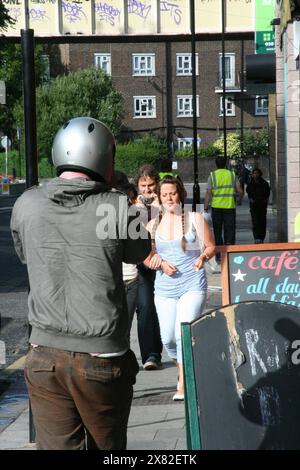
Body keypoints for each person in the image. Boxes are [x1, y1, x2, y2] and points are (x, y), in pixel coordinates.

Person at [10, 117, 151, 450]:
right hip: (101, 356)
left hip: (44, 355)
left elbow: (27, 255)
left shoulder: (26, 204)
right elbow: (140, 251)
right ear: (103, 158)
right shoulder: (118, 208)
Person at [145, 175, 215, 400]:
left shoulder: (195, 218)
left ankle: (183, 386)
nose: (168, 198)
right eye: (164, 194)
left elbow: (212, 246)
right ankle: (183, 370)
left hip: (192, 285)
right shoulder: (152, 223)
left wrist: (202, 257)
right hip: (164, 289)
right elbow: (144, 256)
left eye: (172, 193)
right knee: (168, 338)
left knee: (181, 331)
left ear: (180, 194)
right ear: (159, 196)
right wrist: (157, 262)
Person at [135, 164, 163, 370]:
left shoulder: (166, 203)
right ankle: (150, 355)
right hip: (142, 264)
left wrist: (159, 206)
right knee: (145, 307)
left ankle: (164, 348)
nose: (147, 189)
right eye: (143, 185)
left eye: (151, 184)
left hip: (164, 263)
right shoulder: (132, 207)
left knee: (162, 308)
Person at [204, 156, 243, 263]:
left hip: (216, 208)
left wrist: (206, 206)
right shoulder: (232, 175)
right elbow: (240, 191)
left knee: (217, 231)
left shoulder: (212, 176)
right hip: (229, 207)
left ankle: (219, 256)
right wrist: (239, 201)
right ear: (226, 163)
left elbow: (208, 192)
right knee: (230, 231)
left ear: (216, 164)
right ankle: (230, 254)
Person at [246, 167, 270, 244]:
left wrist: (265, 200)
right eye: (254, 173)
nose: (255, 175)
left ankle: (262, 237)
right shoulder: (250, 184)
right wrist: (250, 199)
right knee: (255, 222)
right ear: (252, 175)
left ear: (260, 174)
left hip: (262, 205)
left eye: (257, 173)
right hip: (254, 206)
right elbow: (248, 192)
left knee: (262, 221)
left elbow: (267, 193)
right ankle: (256, 237)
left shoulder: (264, 183)